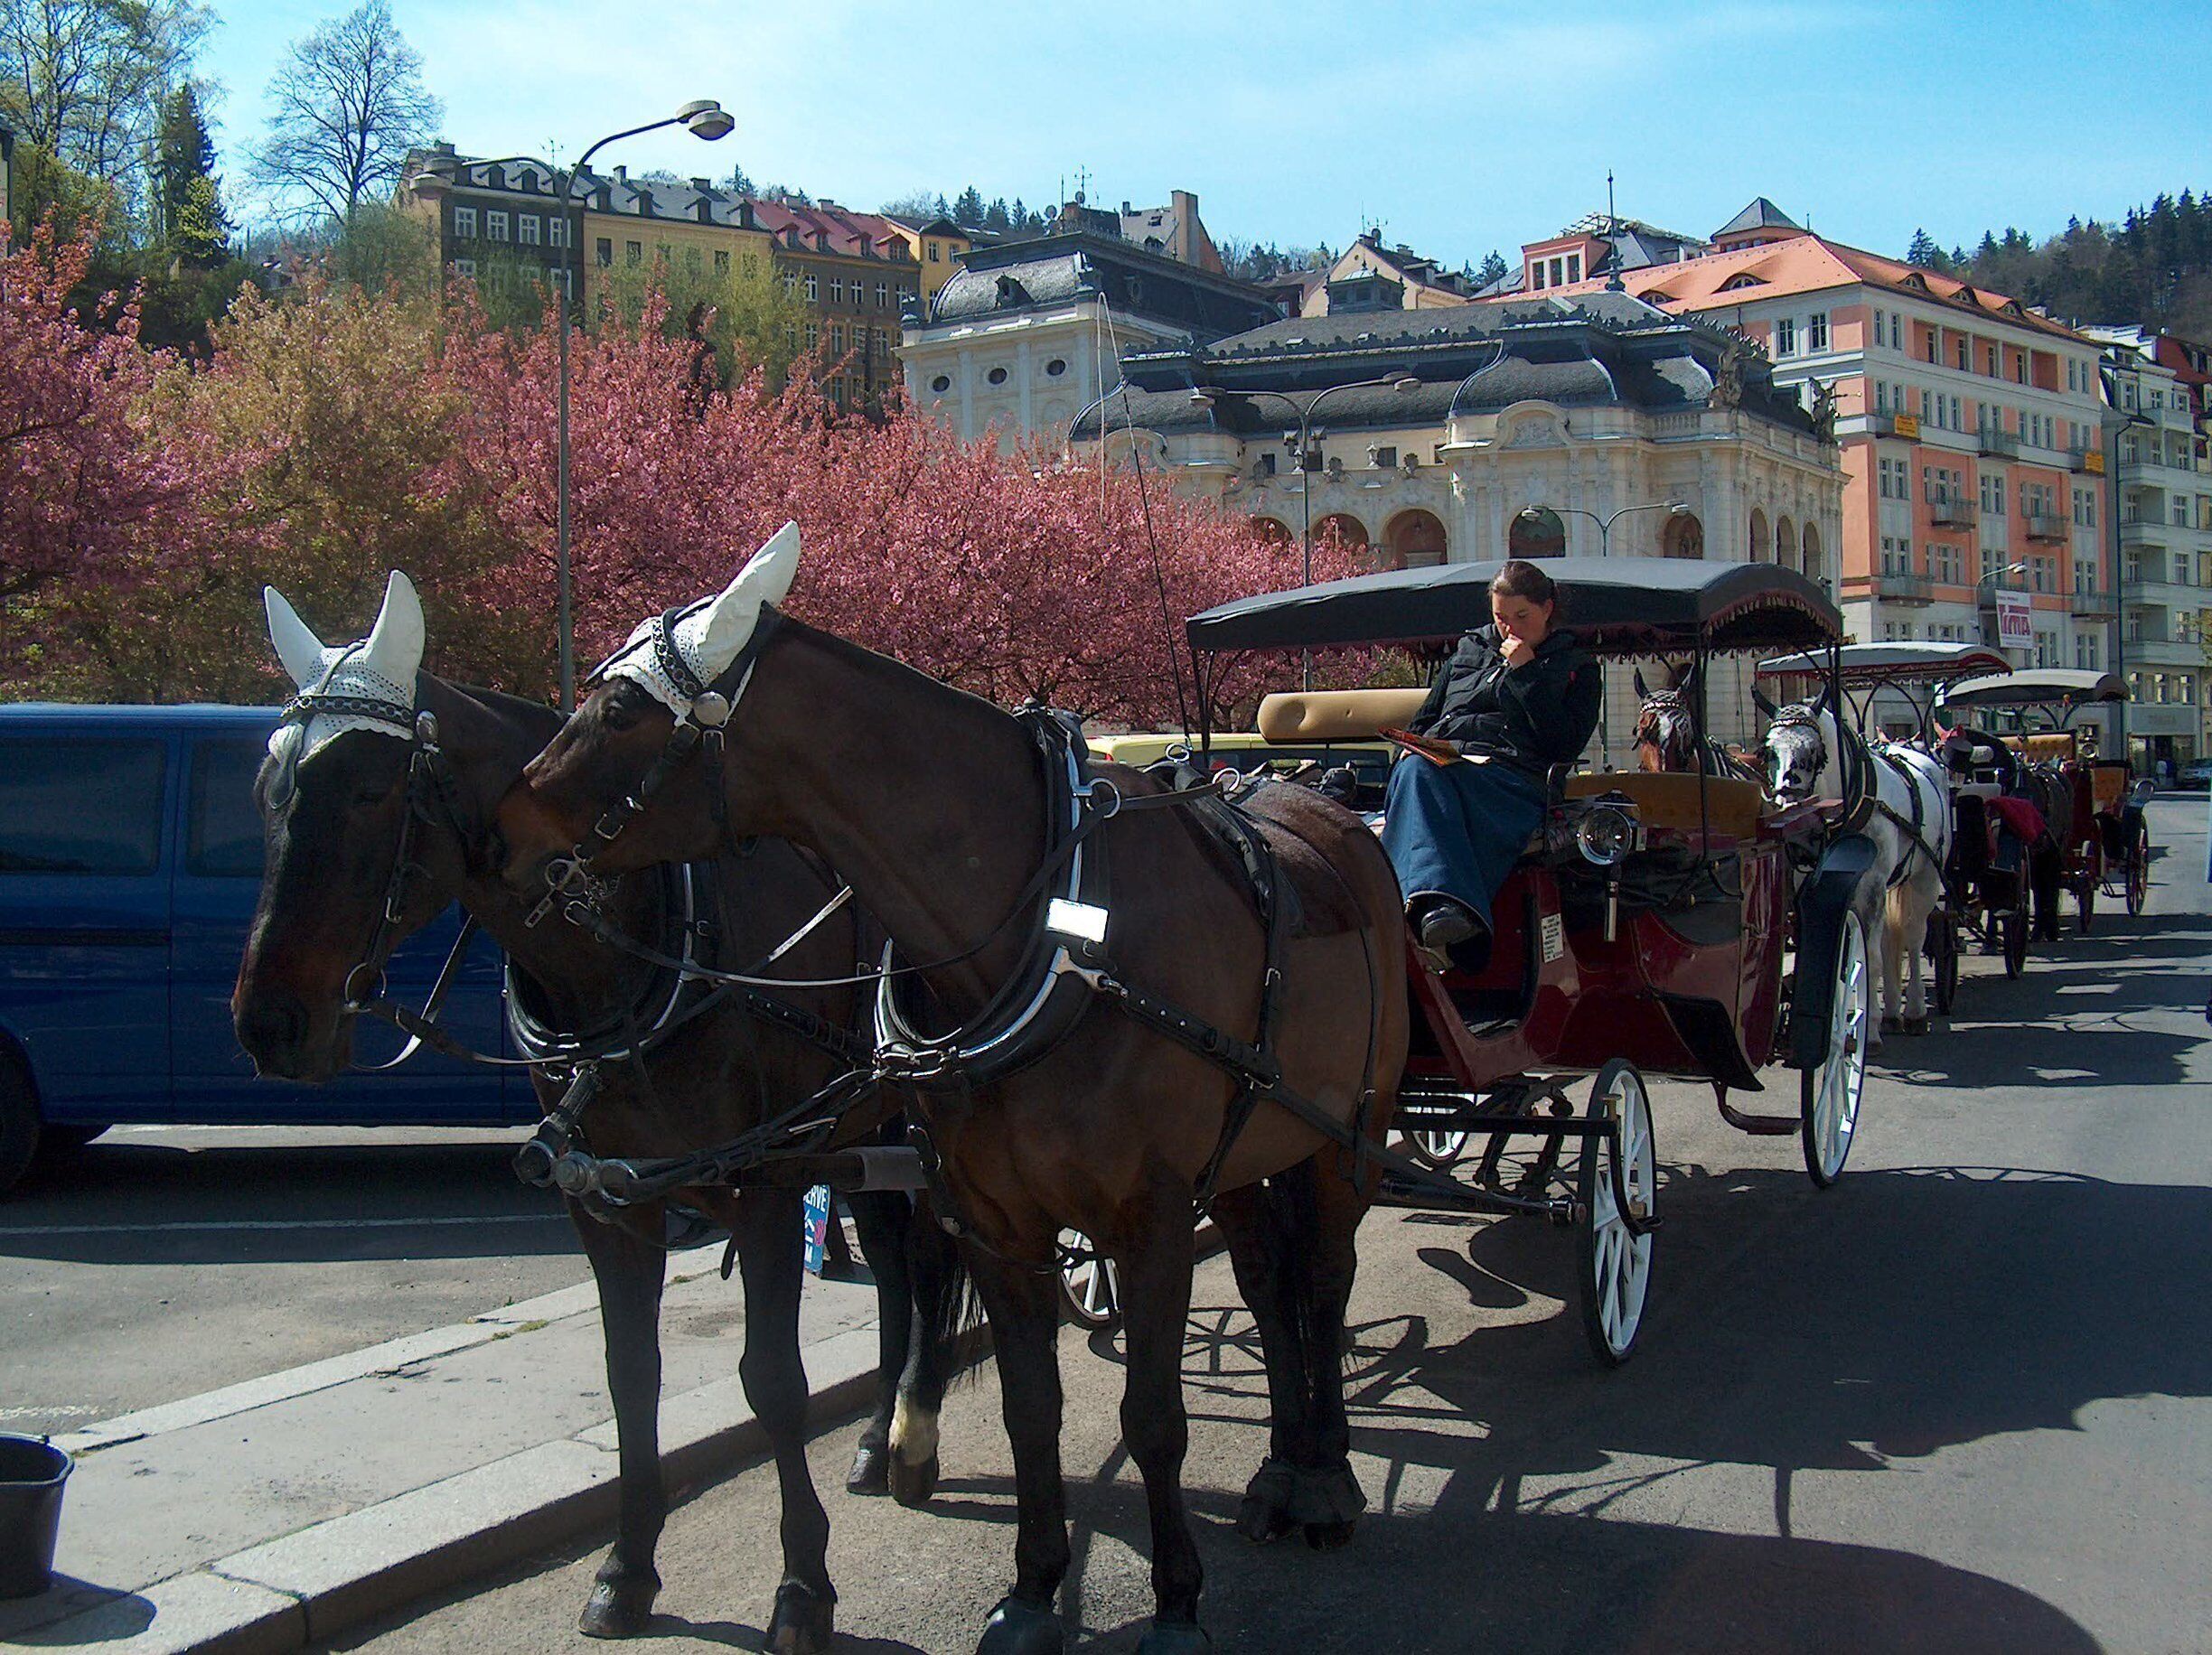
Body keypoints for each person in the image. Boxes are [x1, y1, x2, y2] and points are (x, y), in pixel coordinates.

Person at [1382, 559, 1602, 952]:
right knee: (1415, 767)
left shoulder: (1577, 667)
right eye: (1501, 618)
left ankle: (1436, 906)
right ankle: (1429, 910)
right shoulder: (1469, 650)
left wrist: (1525, 674)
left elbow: (1564, 744)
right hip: (1445, 763)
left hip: (1512, 778)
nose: (1510, 628)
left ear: (1547, 609)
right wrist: (1412, 744)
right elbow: (1425, 718)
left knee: (1424, 776)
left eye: (1522, 616)